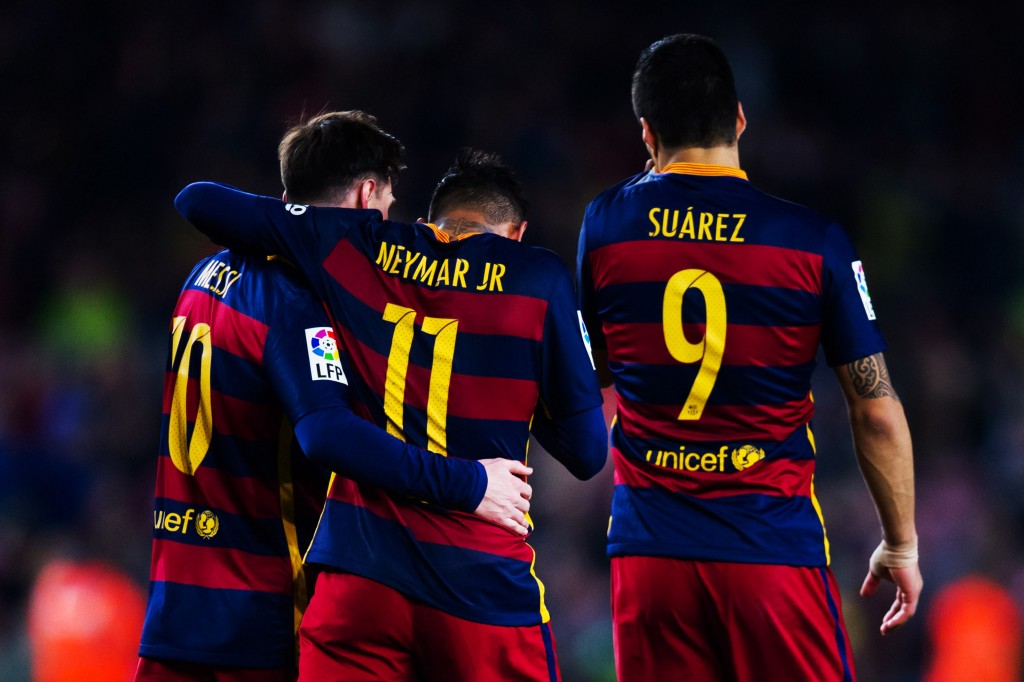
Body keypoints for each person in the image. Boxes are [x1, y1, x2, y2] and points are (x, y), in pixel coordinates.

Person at [174, 127, 609, 681]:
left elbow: (200, 200)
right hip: (477, 581)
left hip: (357, 575)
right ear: (516, 233)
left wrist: (305, 222)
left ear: (429, 222)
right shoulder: (539, 277)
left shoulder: (363, 248)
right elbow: (588, 452)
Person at [576, 34, 922, 681]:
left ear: (646, 133)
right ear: (739, 118)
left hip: (650, 560)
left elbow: (593, 380)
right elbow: (874, 409)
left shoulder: (605, 226)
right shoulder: (811, 241)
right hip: (771, 554)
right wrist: (899, 541)